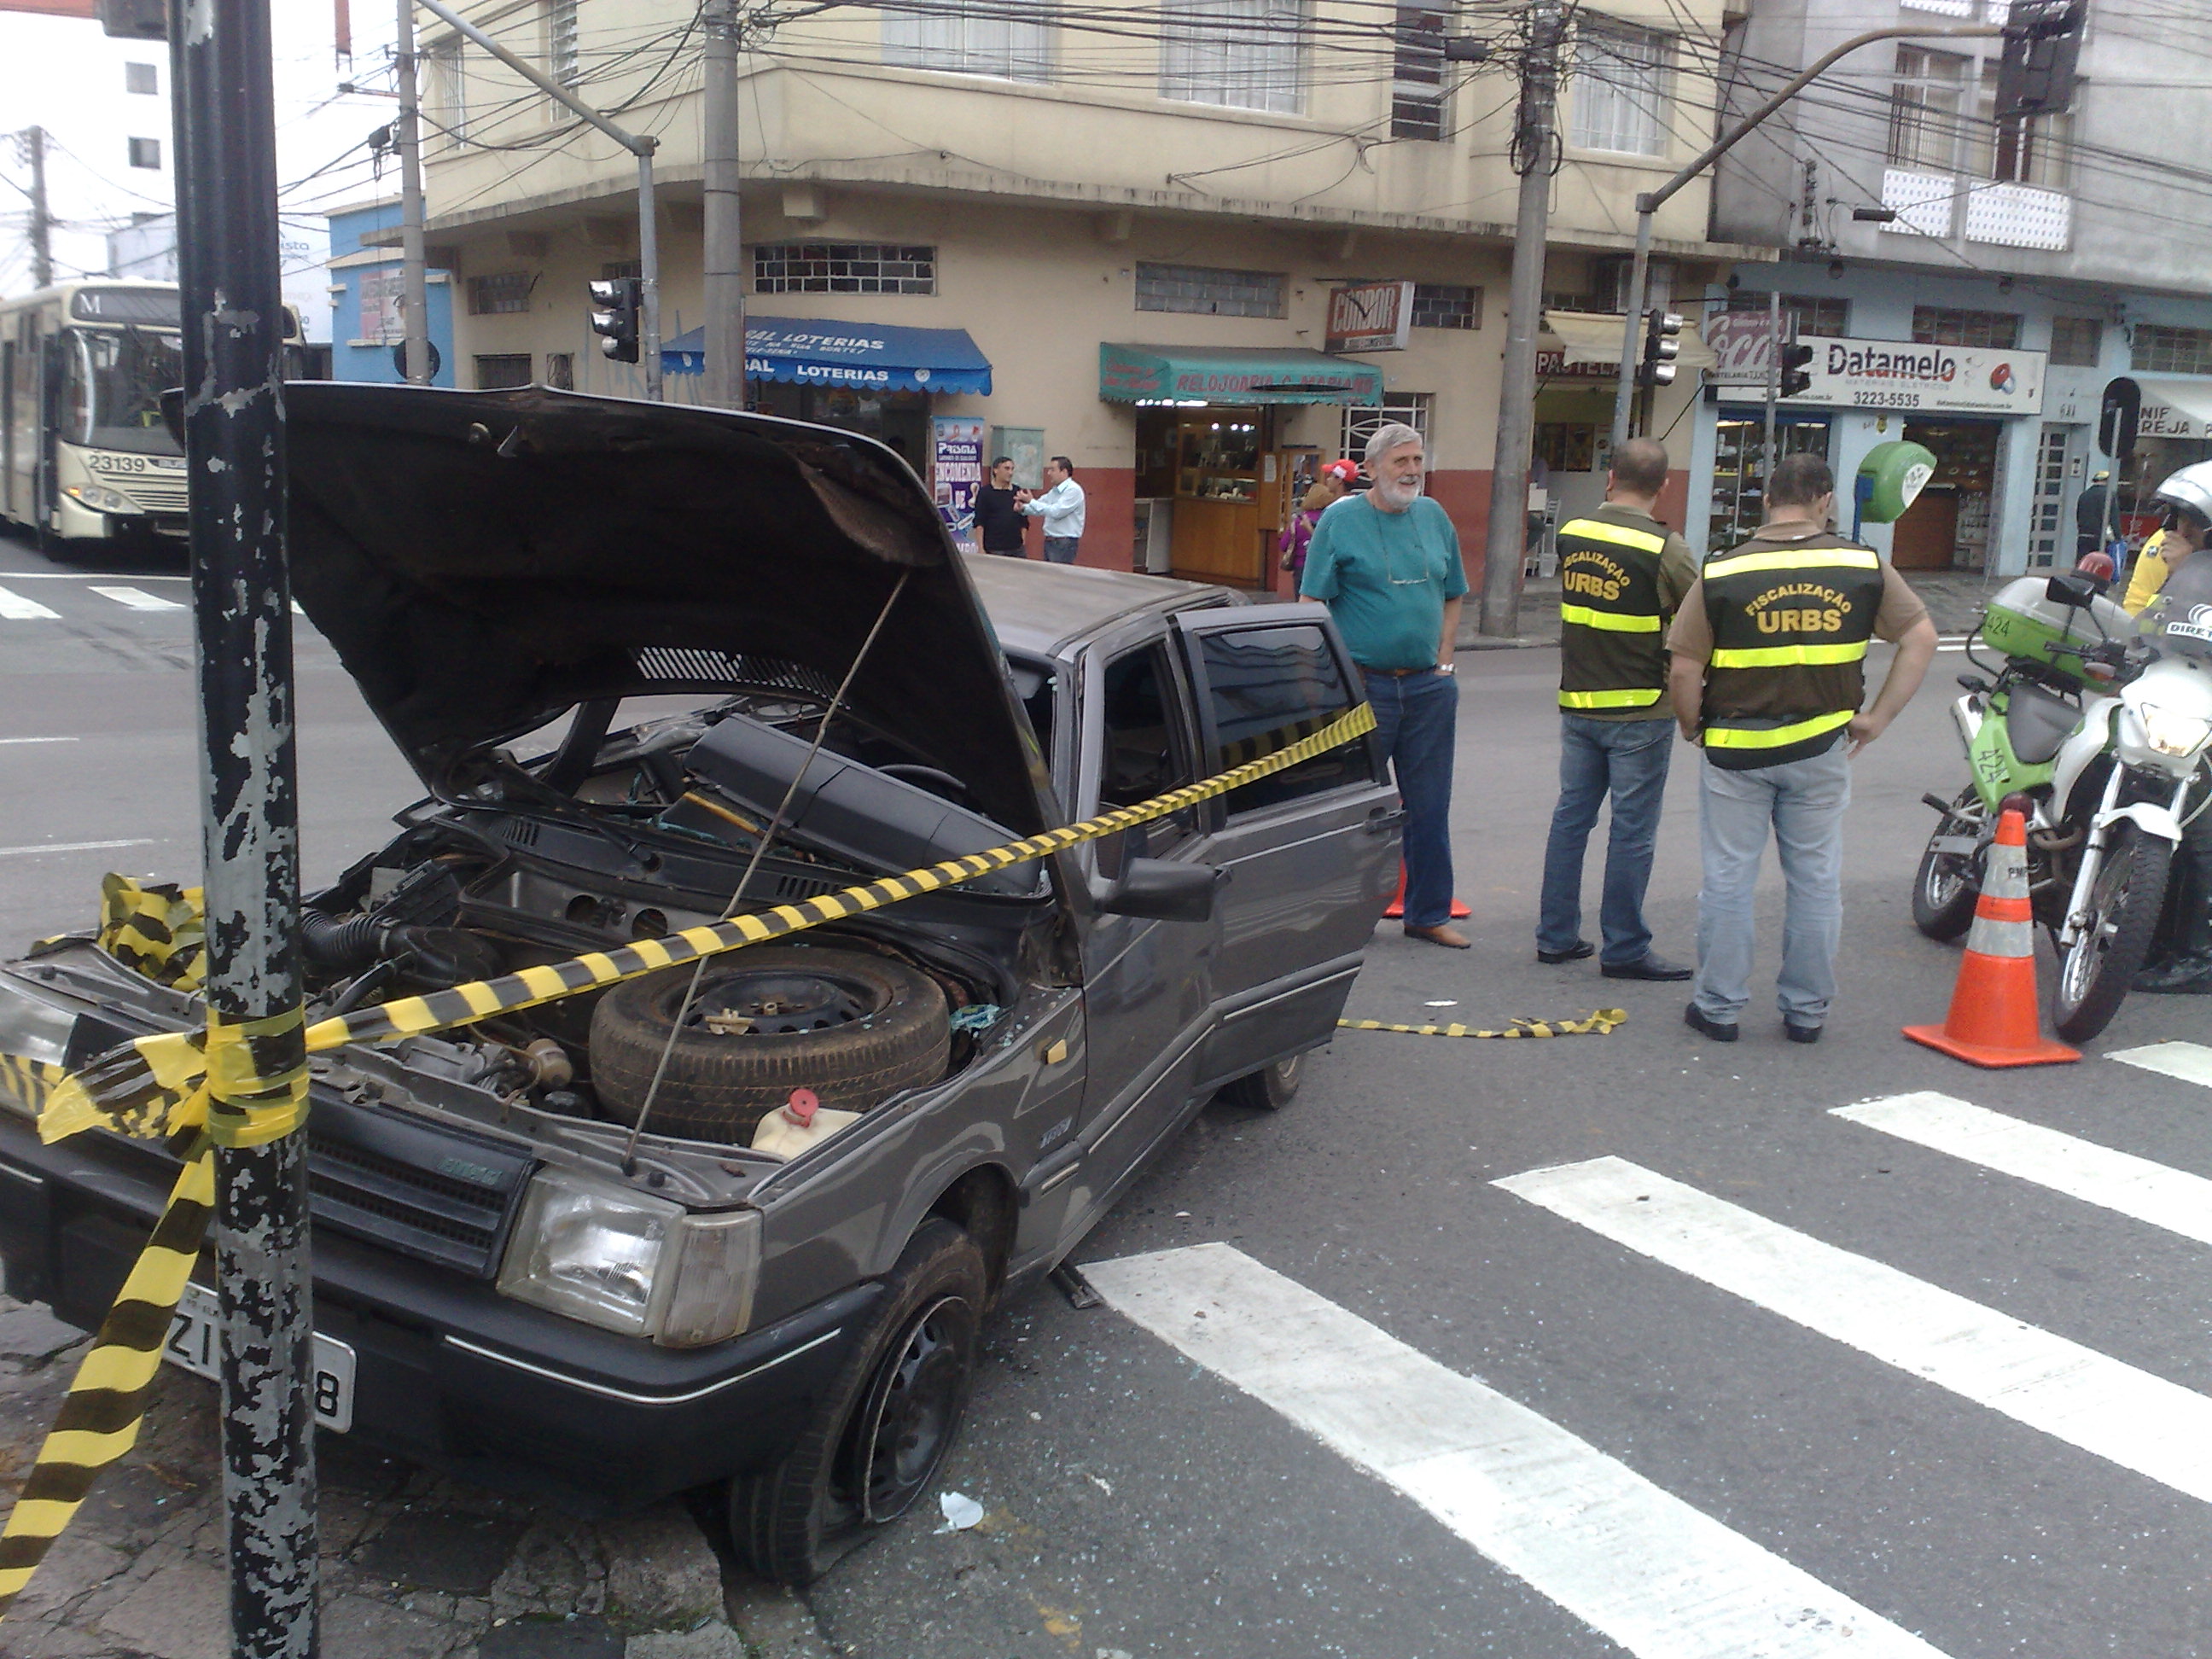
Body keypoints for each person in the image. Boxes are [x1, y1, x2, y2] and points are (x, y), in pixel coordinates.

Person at [1667, 452, 1938, 1042]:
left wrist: (1693, 727)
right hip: (1819, 747)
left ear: (1767, 500)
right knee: (1815, 879)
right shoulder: (1863, 565)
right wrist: (1878, 717)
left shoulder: (1723, 571)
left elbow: (1684, 670)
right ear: (1825, 502)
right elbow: (1921, 637)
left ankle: (1718, 1009)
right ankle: (1806, 1012)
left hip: (1736, 750)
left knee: (1730, 880)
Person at [1535, 437, 1700, 981]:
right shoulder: (1664, 548)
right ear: (1664, 486)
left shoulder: (1573, 534)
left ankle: (1555, 936)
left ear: (1610, 478)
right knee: (1631, 832)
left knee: (1570, 821)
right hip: (1639, 709)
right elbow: (1697, 618)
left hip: (1579, 701)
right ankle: (1625, 948)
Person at [1301, 423, 1470, 949]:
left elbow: (1454, 593)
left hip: (1427, 689)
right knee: (1354, 809)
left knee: (1429, 805)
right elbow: (1311, 607)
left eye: (1418, 459)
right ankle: (1338, 920)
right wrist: (1324, 685)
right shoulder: (1340, 520)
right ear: (1371, 469)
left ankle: (1427, 913)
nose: (1412, 470)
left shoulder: (1434, 516)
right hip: (1363, 688)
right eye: (1401, 462)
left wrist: (1444, 662)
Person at [2132, 462, 2212, 993]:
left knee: (2202, 825)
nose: (2176, 530)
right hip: (2179, 692)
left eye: (2190, 521)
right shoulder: (2169, 554)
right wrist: (2175, 576)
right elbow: (2144, 622)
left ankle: (2196, 954)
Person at [1279, 459, 1359, 583]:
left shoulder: (1336, 510)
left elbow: (1330, 545)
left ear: (1339, 480)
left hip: (1334, 573)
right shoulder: (1357, 505)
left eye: (1331, 476)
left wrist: (1308, 528)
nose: (1327, 480)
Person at [1017, 456, 1086, 564]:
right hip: (1051, 541)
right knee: (1049, 576)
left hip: (1064, 543)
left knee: (1058, 578)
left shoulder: (1073, 490)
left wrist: (1031, 501)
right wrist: (1023, 508)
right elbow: (1041, 506)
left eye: (1052, 470)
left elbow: (1056, 512)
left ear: (1064, 472)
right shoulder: (1055, 491)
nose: (1048, 473)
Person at [975, 457, 1028, 557]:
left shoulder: (1017, 491)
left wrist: (1023, 541)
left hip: (1017, 548)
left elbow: (1024, 520)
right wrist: (981, 548)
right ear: (996, 470)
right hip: (994, 549)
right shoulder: (985, 492)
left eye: (1012, 469)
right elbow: (979, 522)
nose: (1010, 473)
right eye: (1007, 469)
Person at [2076, 469, 2111, 561]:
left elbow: (2078, 515)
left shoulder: (2084, 495)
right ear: (2106, 481)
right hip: (2099, 536)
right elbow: (2113, 517)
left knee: (2083, 561)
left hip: (2083, 534)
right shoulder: (2108, 495)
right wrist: (2118, 537)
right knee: (2098, 562)